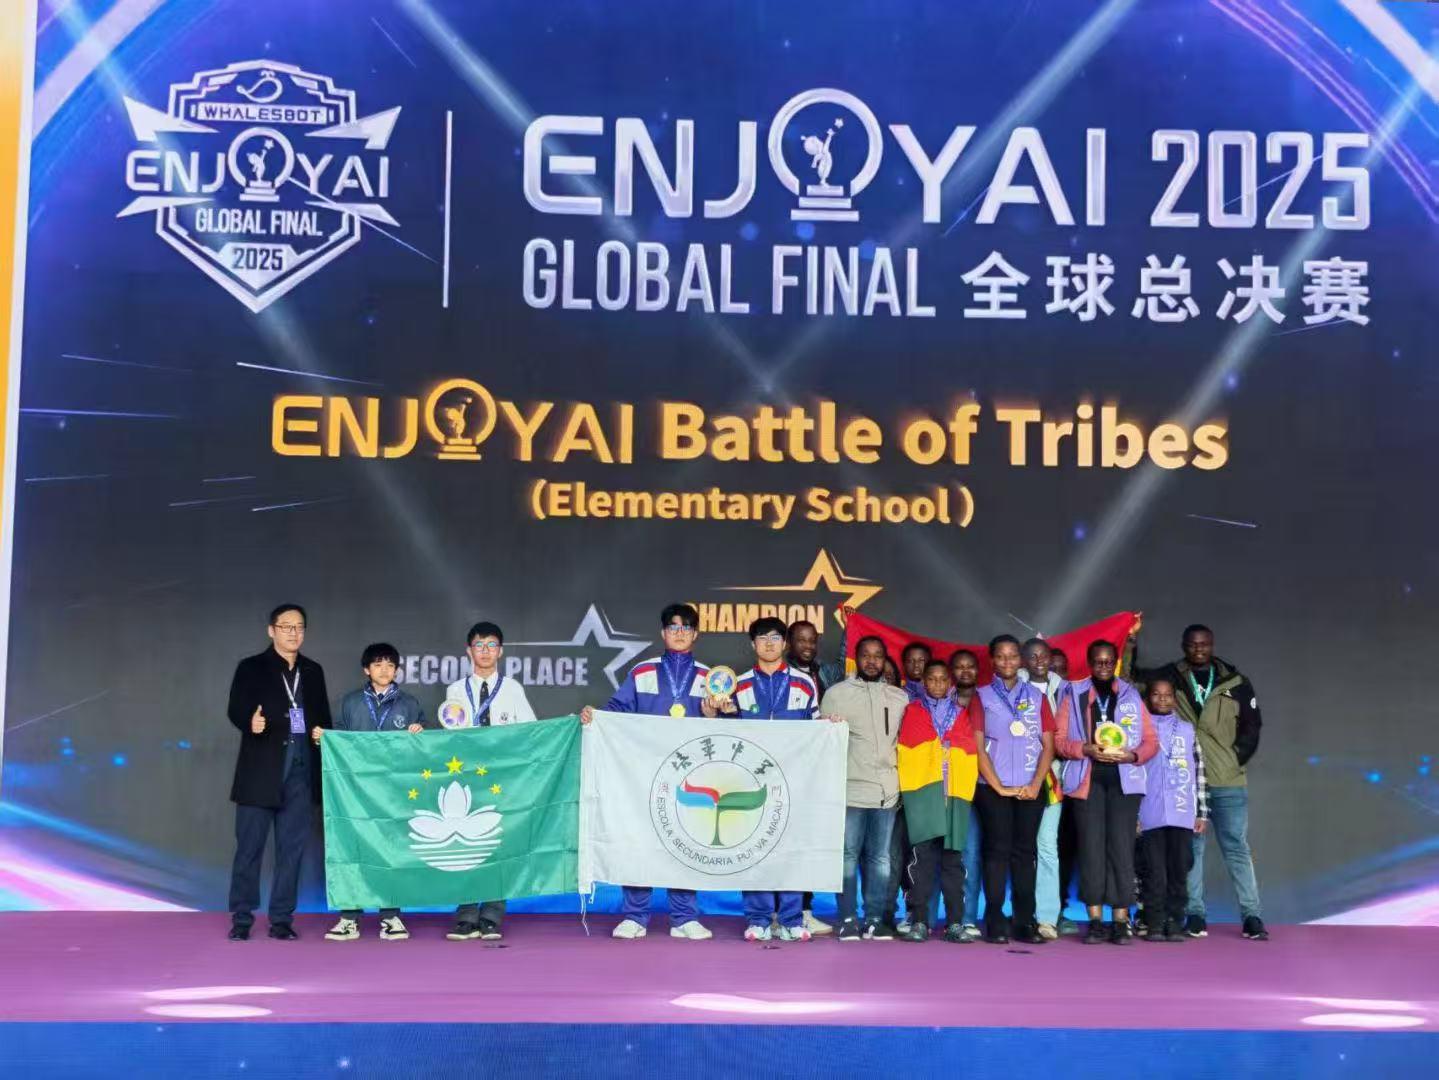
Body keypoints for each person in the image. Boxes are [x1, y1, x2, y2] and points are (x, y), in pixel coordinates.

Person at [580, 603, 725, 941]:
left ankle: (684, 918)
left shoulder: (711, 678)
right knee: (638, 840)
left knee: (687, 842)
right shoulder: (642, 671)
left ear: (696, 634)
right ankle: (635, 916)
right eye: (673, 627)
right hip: (642, 774)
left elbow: (724, 729)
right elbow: (616, 711)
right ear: (663, 633)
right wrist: (595, 716)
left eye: (686, 627)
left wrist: (714, 715)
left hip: (690, 777)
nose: (680, 633)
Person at [1143, 625, 1267, 941]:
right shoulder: (1171, 676)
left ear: (1212, 645)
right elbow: (1133, 679)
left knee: (1236, 847)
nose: (1199, 649)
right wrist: (1128, 642)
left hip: (1228, 780)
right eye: (1193, 644)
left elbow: (1252, 726)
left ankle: (1252, 916)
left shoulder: (1235, 683)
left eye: (1204, 644)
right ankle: (1195, 915)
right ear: (1183, 645)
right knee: (1192, 851)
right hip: (1185, 783)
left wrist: (1234, 759)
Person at [225, 604, 332, 941]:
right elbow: (235, 708)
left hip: (300, 775)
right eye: (286, 626)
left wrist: (322, 733)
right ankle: (242, 918)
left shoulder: (313, 670)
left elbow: (323, 717)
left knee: (291, 852)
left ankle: (282, 919)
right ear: (271, 631)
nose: (293, 633)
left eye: (299, 627)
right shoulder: (251, 667)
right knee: (249, 850)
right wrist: (249, 721)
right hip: (260, 774)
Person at [324, 643, 430, 942]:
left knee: (391, 849)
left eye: (390, 665)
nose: (384, 670)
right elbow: (337, 740)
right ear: (366, 669)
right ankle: (349, 917)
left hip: (393, 792)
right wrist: (324, 738)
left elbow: (424, 746)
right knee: (352, 849)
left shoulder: (409, 703)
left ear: (397, 670)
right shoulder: (349, 702)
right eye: (378, 664)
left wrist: (420, 731)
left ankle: (390, 916)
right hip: (354, 791)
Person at [1054, 640, 1158, 945]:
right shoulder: (1073, 694)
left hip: (1125, 783)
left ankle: (1121, 921)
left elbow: (1151, 741)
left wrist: (1132, 756)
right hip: (1087, 782)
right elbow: (1058, 740)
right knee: (1091, 850)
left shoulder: (1131, 695)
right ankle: (1096, 921)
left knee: (1122, 851)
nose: (1103, 667)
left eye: (1108, 662)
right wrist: (1084, 749)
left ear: (1115, 663)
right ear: (1089, 663)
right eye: (1098, 662)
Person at [443, 621, 538, 942]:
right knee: (466, 844)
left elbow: (530, 732)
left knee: (498, 844)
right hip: (468, 776)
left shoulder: (512, 689)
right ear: (469, 651)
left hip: (502, 779)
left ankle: (492, 914)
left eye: (491, 645)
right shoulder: (455, 690)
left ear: (501, 651)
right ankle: (466, 914)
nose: (485, 651)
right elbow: (451, 735)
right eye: (479, 645)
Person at [734, 617, 821, 942]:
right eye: (762, 637)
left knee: (791, 850)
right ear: (752, 644)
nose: (769, 643)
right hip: (751, 782)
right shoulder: (738, 685)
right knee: (754, 849)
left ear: (785, 643)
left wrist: (831, 725)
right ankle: (757, 918)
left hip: (793, 782)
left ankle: (791, 919)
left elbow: (816, 731)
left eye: (775, 637)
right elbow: (725, 732)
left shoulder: (804, 683)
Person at [821, 635, 909, 941]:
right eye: (866, 655)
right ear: (856, 659)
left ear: (885, 660)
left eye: (878, 655)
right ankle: (847, 918)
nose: (872, 661)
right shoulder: (836, 694)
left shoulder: (899, 698)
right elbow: (824, 743)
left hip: (887, 792)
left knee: (881, 858)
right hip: (850, 789)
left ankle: (874, 919)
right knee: (847, 856)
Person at [972, 635, 1056, 945]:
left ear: (1020, 660)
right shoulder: (981, 696)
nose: (1007, 661)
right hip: (992, 789)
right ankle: (995, 919)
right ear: (992, 660)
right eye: (1001, 656)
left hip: (1030, 789)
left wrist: (1035, 784)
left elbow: (1048, 746)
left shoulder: (1036, 696)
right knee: (996, 851)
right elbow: (977, 748)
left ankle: (1024, 921)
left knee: (1025, 854)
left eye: (1012, 656)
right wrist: (999, 787)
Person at [896, 659, 980, 943]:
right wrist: (937, 749)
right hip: (924, 796)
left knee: (953, 862)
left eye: (943, 679)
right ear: (923, 682)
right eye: (931, 679)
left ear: (950, 683)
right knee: (921, 861)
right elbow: (907, 750)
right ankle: (919, 921)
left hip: (952, 795)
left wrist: (949, 750)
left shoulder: (960, 713)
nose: (937, 684)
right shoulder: (914, 711)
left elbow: (969, 751)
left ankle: (955, 923)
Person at [784, 619, 845, 936]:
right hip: (785, 766)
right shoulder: (781, 675)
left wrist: (850, 629)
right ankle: (774, 912)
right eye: (801, 640)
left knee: (807, 840)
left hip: (817, 766)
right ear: (788, 642)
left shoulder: (826, 673)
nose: (808, 646)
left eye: (812, 640)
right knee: (781, 839)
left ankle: (803, 910)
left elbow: (847, 663)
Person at [1138, 677, 1209, 943]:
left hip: (1181, 810)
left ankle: (1175, 921)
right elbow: (1132, 770)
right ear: (1148, 699)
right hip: (1150, 810)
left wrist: (1202, 811)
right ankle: (1155, 922)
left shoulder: (1188, 730)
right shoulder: (1140, 729)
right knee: (1153, 870)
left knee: (1179, 869)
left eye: (1167, 695)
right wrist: (1134, 814)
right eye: (1156, 694)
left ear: (1175, 700)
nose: (1162, 699)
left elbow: (1199, 770)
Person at [1019, 638, 1066, 940]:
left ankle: (1047, 917)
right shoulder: (1010, 686)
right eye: (1033, 656)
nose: (1039, 661)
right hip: (1017, 776)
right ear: (1023, 659)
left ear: (1051, 658)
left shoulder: (1066, 690)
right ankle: (1021, 914)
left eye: (1044, 656)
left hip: (1052, 776)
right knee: (1018, 849)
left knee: (1047, 846)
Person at [951, 649, 985, 943]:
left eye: (970, 666)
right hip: (946, 787)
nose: (965, 671)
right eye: (959, 667)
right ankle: (926, 917)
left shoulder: (988, 700)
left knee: (972, 854)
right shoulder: (940, 699)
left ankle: (969, 917)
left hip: (981, 787)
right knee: (940, 853)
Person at [1049, 645, 1080, 933]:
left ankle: (1058, 909)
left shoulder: (1077, 699)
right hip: (1038, 783)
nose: (1055, 672)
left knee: (1065, 850)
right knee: (1037, 850)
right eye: (1051, 668)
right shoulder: (1031, 696)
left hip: (1069, 786)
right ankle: (1031, 910)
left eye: (1060, 668)